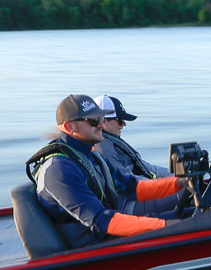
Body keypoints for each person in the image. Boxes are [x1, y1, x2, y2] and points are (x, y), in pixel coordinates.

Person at [27, 94, 182, 240]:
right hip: (94, 246)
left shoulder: (91, 155)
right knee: (191, 221)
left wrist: (180, 183)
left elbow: (132, 188)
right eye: (93, 120)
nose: (101, 124)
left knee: (193, 209)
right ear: (70, 127)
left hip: (109, 228)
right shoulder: (59, 169)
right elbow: (100, 221)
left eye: (101, 118)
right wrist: (166, 226)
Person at [95, 95, 167, 200]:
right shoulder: (102, 146)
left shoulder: (111, 139)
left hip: (143, 188)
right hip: (128, 199)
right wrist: (167, 185)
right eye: (119, 120)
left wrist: (176, 175)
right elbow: (124, 181)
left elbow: (145, 166)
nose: (124, 124)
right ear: (103, 120)